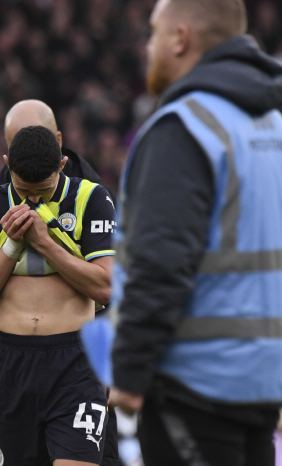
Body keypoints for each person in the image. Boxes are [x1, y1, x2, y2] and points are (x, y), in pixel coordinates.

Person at [108, 0, 282, 464]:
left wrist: (128, 372)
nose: (147, 47)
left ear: (180, 38)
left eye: (153, 33)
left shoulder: (185, 128)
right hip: (263, 384)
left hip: (193, 383)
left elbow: (160, 263)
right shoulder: (273, 124)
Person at [0, 99, 119, 466]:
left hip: (76, 362)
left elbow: (107, 289)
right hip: (11, 363)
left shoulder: (93, 199)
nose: (35, 200)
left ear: (62, 162)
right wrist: (11, 246)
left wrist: (43, 242)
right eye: (25, 191)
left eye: (44, 189)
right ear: (6, 163)